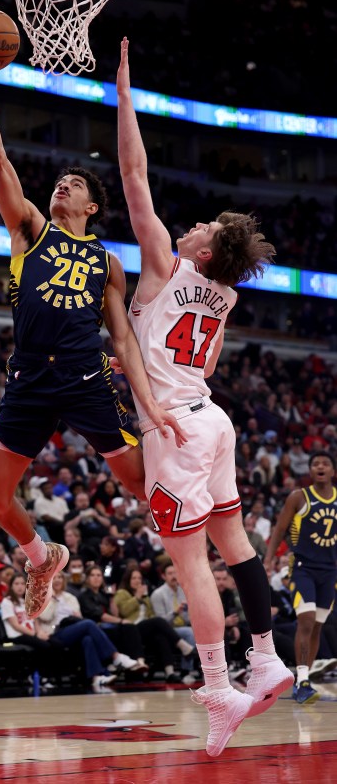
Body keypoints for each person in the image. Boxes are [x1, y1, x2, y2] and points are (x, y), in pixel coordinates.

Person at [0, 24, 184, 625]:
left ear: (91, 208)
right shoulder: (31, 228)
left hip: (86, 375)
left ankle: (204, 505)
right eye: (60, 181)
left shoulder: (108, 262)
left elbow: (123, 338)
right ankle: (41, 556)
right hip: (29, 376)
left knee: (142, 486)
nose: (63, 184)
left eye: (75, 184)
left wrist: (150, 404)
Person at [115, 37, 291, 757]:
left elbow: (133, 174)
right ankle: (268, 653)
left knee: (191, 564)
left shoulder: (165, 263)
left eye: (203, 229)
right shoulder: (221, 295)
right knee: (235, 544)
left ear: (206, 251)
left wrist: (124, 95)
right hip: (213, 420)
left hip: (177, 428)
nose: (188, 226)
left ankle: (220, 688)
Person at [263, 451, 337, 705]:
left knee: (317, 625)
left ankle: (306, 678)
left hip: (330, 570)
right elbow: (280, 529)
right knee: (305, 621)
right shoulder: (299, 497)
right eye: (315, 463)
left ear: (332, 471)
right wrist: (269, 559)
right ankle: (302, 681)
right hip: (303, 567)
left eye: (325, 464)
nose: (320, 467)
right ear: (310, 471)